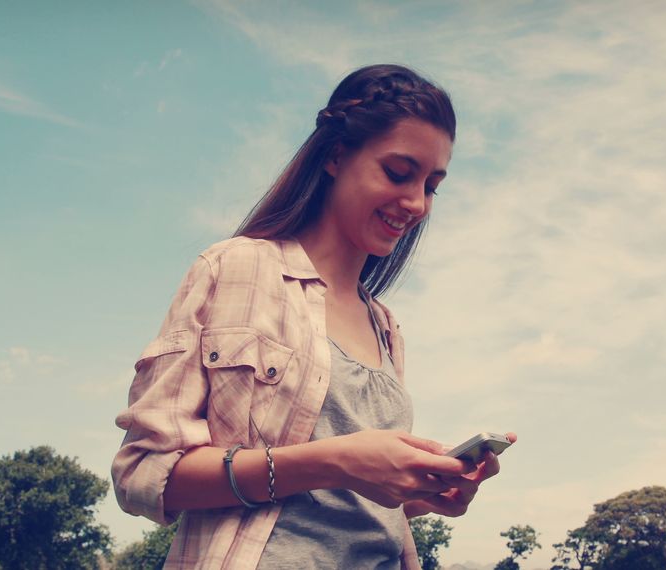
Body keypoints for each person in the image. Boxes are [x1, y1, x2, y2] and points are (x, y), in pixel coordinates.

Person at [111, 63, 517, 569]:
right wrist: (337, 460)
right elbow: (144, 474)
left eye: (432, 185)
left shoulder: (385, 327)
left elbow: (337, 509)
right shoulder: (236, 268)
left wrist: (419, 495)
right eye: (398, 173)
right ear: (334, 155)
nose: (416, 203)